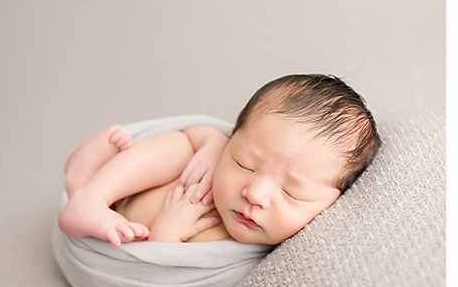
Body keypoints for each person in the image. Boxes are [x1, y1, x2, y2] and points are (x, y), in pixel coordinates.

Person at [59, 74, 379, 247]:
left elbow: (166, 281)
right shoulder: (219, 150)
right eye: (244, 163)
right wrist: (212, 145)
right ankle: (92, 194)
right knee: (181, 145)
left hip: (125, 232)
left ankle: (79, 184)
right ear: (233, 137)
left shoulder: (233, 242)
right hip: (120, 195)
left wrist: (167, 234)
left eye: (291, 192)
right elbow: (198, 131)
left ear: (332, 202)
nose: (254, 193)